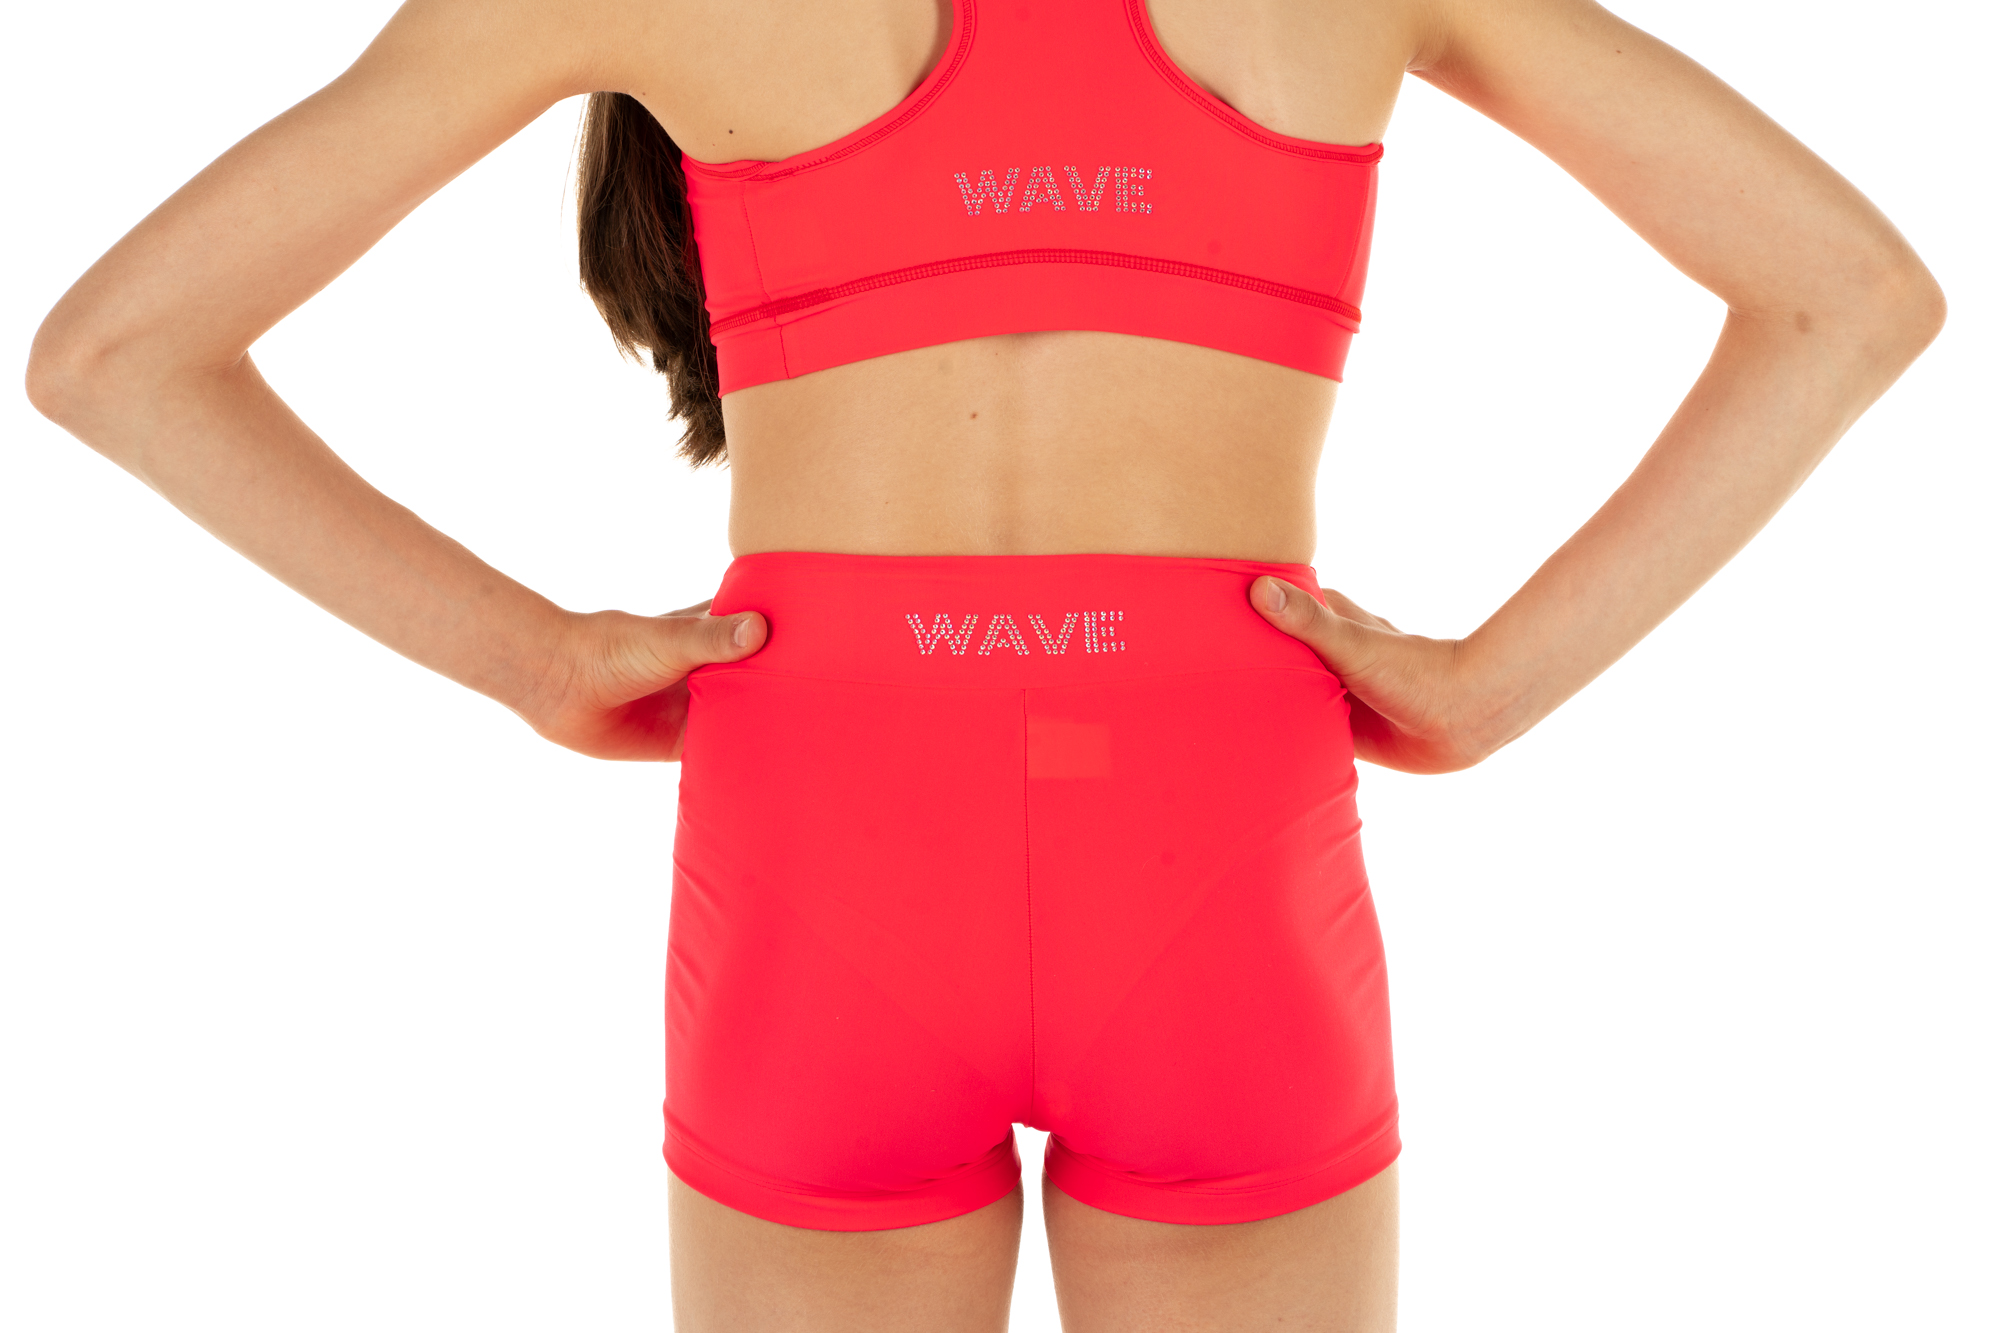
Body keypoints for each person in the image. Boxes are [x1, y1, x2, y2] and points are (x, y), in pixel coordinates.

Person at [23, 0, 1943, 1328]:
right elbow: (1851, 294)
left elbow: (112, 357)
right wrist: (1498, 681)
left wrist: (533, 660)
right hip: (1217, 827)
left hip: (824, 829)